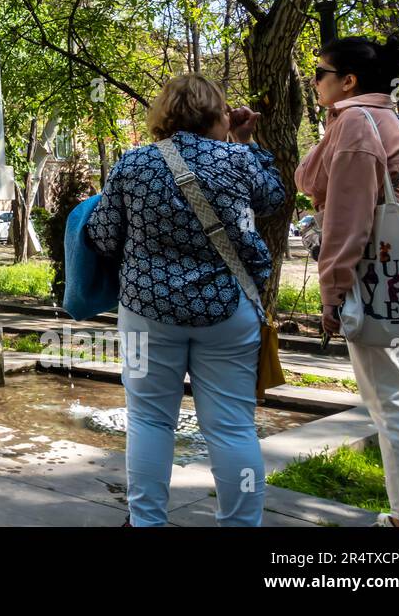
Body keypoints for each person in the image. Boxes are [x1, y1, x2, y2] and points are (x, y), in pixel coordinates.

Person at [86, 74, 285, 526]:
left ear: (164, 114)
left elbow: (102, 235)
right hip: (228, 310)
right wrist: (244, 139)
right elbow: (273, 197)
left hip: (145, 314)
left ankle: (147, 521)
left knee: (149, 422)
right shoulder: (237, 158)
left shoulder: (132, 164)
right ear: (217, 113)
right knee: (232, 427)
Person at [295, 31, 399, 527]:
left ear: (349, 80)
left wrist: (333, 291)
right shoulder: (390, 121)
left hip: (371, 279)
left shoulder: (356, 125)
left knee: (392, 402)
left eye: (320, 73)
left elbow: (347, 218)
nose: (313, 81)